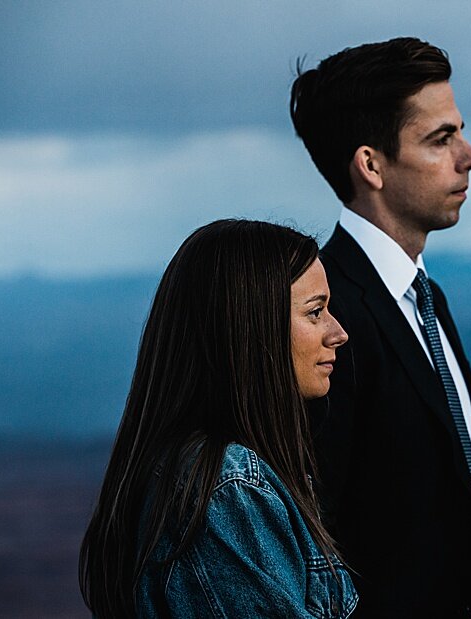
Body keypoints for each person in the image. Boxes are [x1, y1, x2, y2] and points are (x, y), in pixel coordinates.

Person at [289, 37, 471, 618]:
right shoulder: (322, 314)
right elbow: (314, 540)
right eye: (442, 139)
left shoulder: (428, 300)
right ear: (371, 165)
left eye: (460, 131)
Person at [79, 219, 355, 618]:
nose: (338, 332)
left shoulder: (221, 474)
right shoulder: (228, 489)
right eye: (315, 312)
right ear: (248, 324)